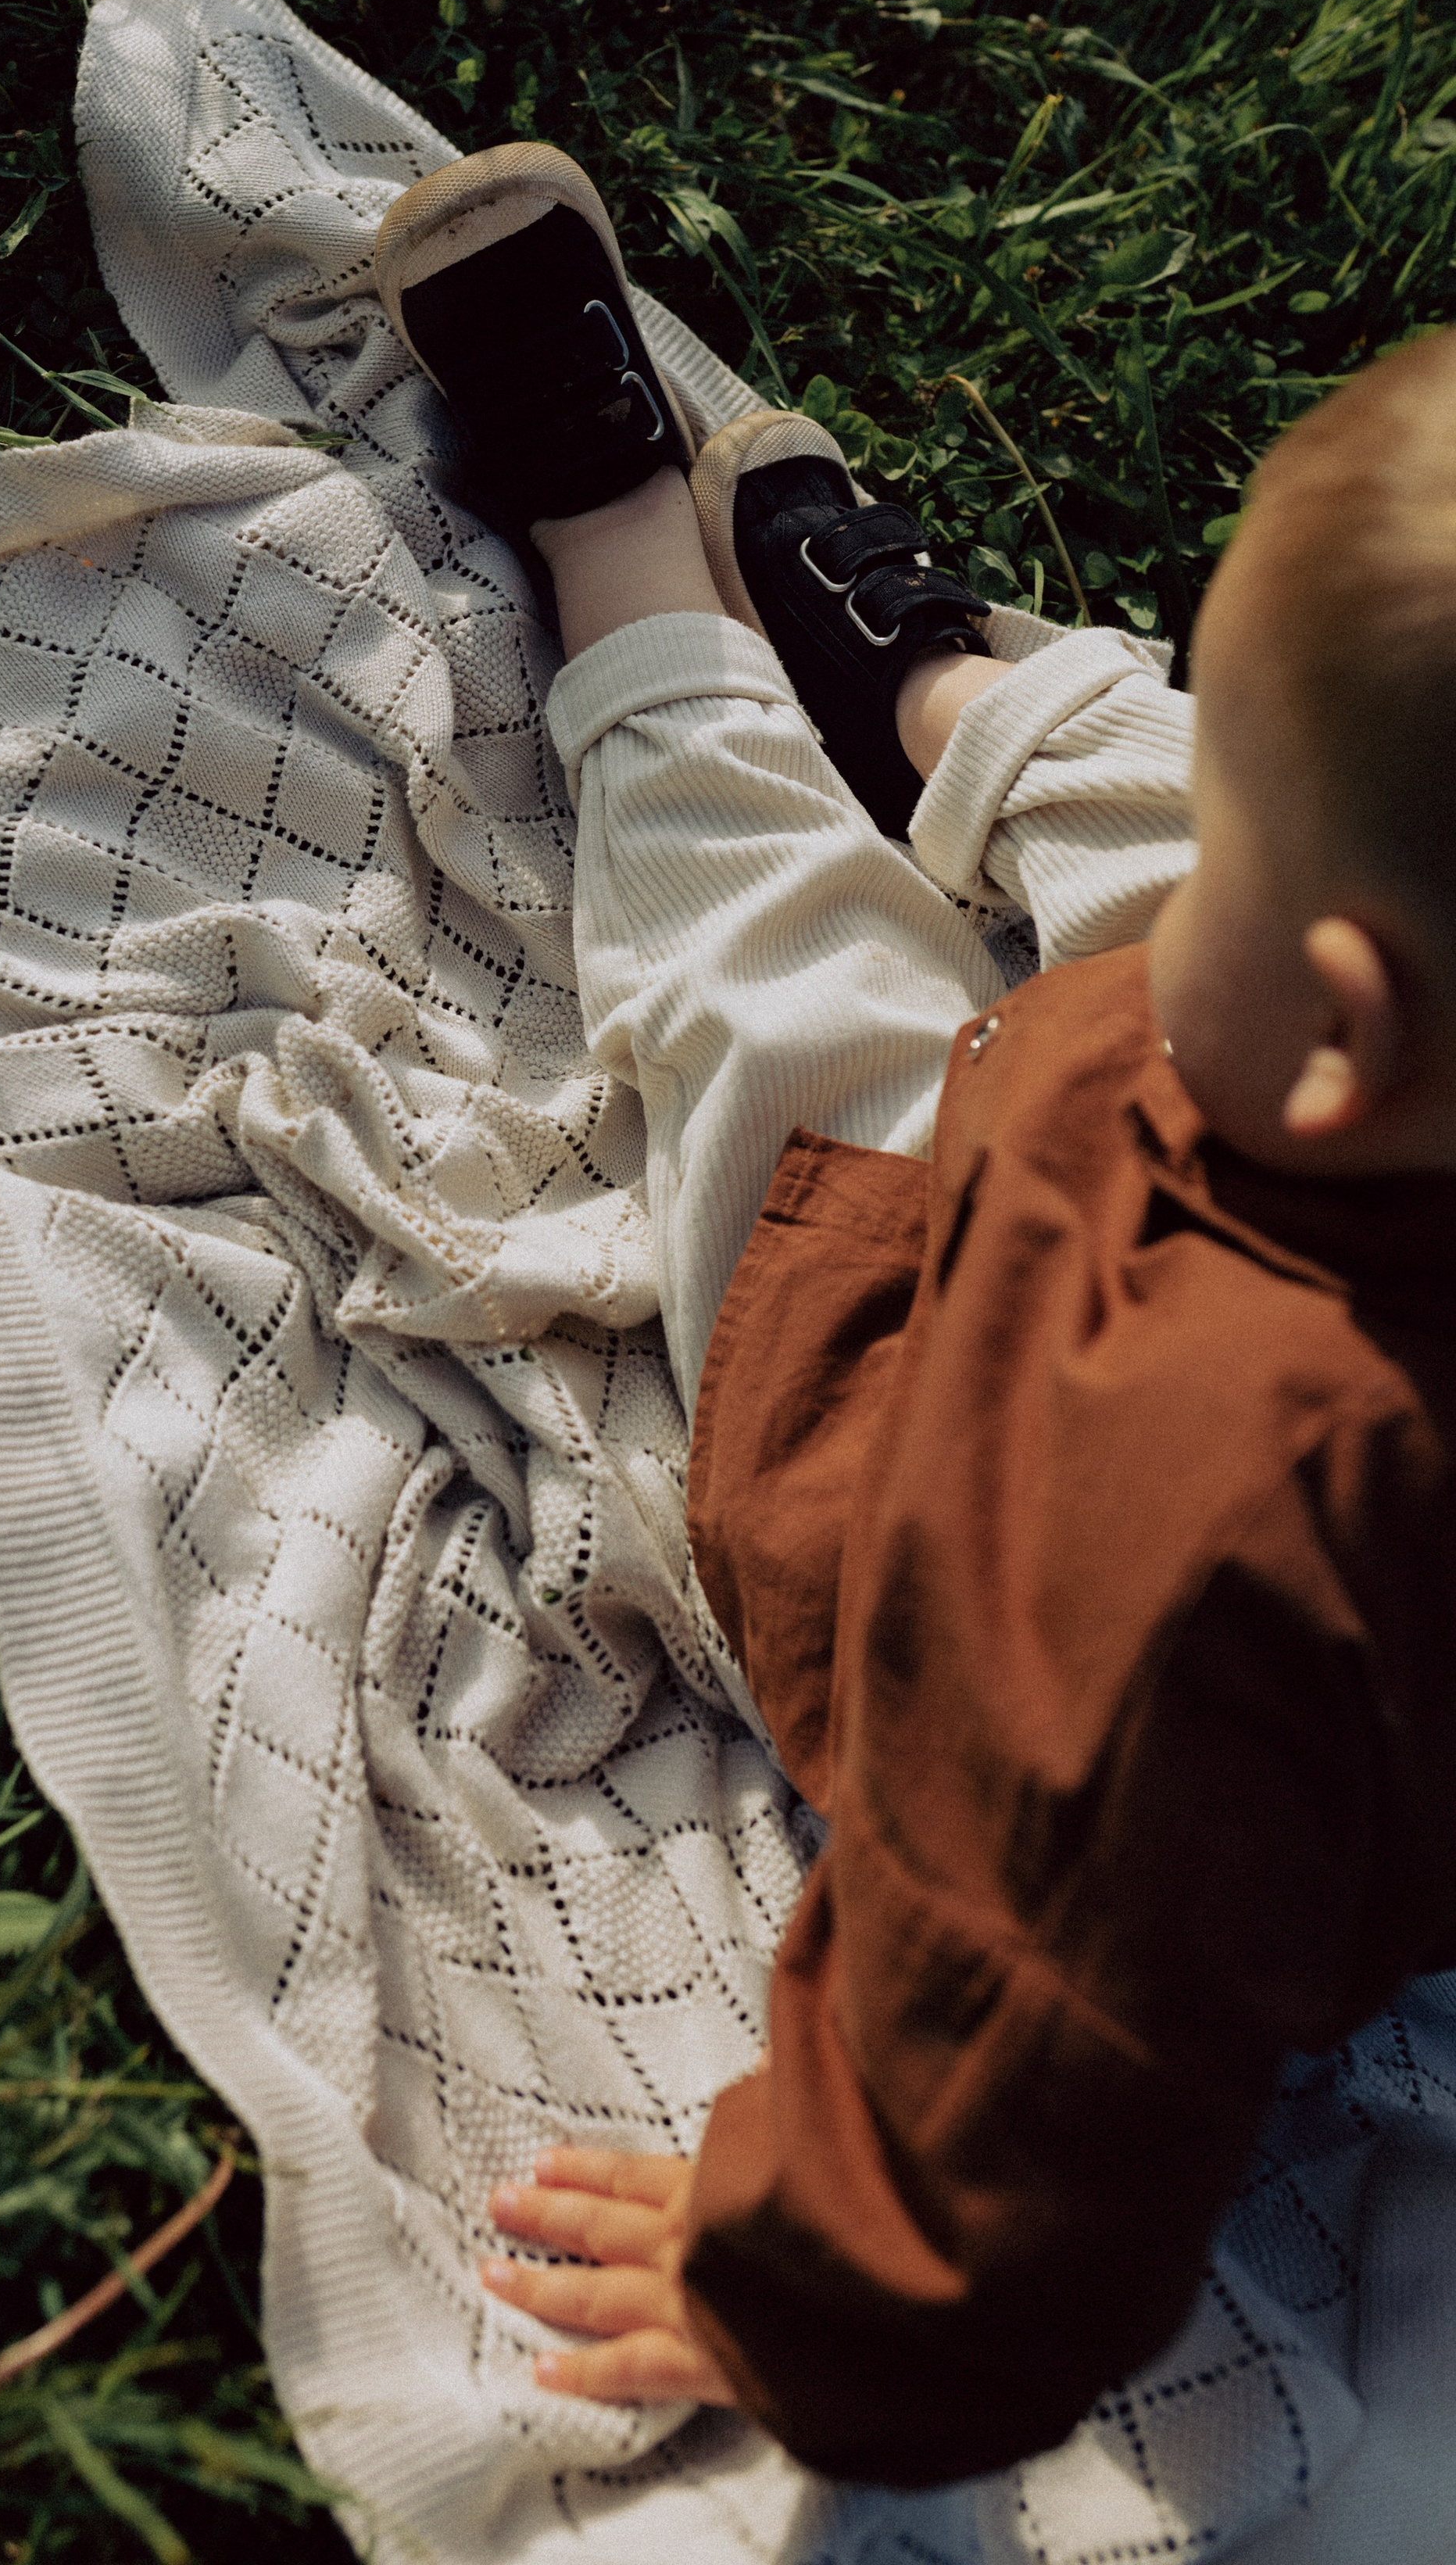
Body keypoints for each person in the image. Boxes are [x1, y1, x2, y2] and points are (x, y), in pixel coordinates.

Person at [370, 141, 1456, 2485]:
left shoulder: (1174, 1552)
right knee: (1203, 803)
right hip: (1324, 1106)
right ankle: (948, 702)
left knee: (782, 1005)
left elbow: (1031, 2062)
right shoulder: (1360, 1046)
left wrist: (810, 2277)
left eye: (1265, 842)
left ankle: (634, 583)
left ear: (1346, 1033)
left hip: (935, 1436)